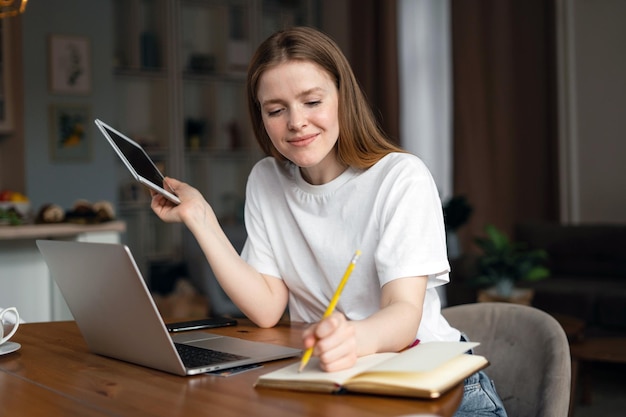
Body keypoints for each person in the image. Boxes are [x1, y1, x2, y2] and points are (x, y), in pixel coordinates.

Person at [151, 26, 507, 416]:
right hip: (336, 385)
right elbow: (267, 308)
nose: (296, 122)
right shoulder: (266, 180)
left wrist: (351, 338)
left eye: (312, 101)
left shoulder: (401, 177)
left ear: (342, 97)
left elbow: (404, 314)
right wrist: (200, 218)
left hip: (433, 386)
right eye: (276, 109)